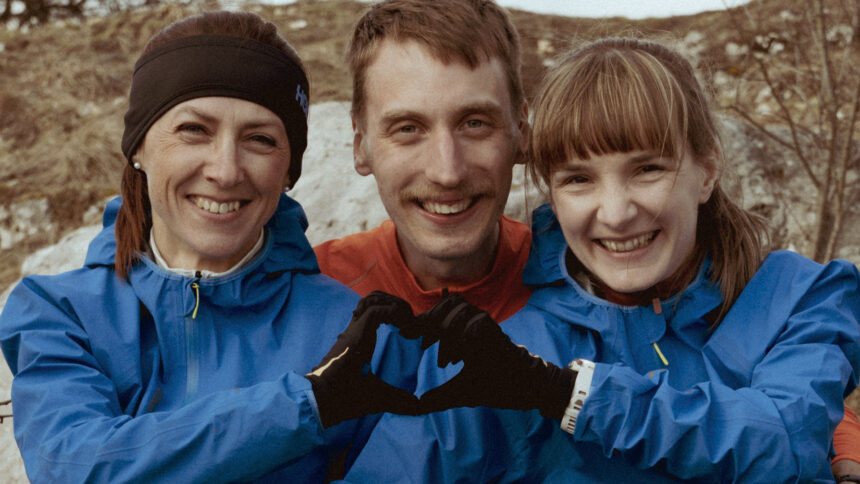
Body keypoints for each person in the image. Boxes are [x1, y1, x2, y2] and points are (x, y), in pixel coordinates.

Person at [318, 1, 860, 481]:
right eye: (579, 179)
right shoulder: (522, 345)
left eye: (648, 169)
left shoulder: (799, 295)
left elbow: (789, 436)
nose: (617, 214)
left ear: (708, 168)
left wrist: (569, 395)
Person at [0, 11, 421, 483]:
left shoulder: (352, 334)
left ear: (287, 170)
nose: (225, 171)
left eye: (260, 139)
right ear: (138, 147)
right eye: (194, 130)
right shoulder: (60, 314)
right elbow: (74, 467)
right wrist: (305, 406)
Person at [313, 0, 532, 323]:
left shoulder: (584, 287)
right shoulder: (312, 290)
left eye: (475, 124)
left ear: (521, 132)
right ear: (360, 146)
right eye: (408, 129)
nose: (447, 173)